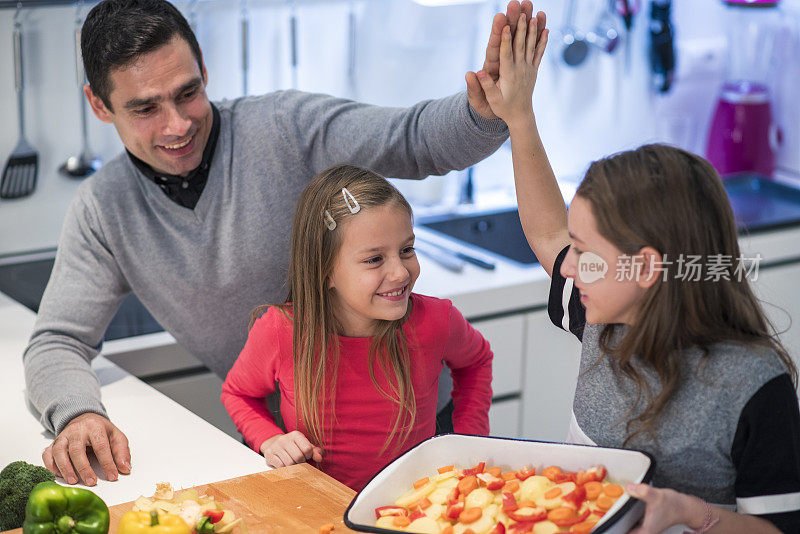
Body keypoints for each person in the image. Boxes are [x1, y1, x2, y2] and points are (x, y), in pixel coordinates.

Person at [23, 0, 539, 487]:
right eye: (145, 109)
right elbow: (57, 341)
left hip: (424, 424)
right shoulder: (102, 209)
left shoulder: (286, 127)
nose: (177, 125)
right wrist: (78, 412)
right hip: (294, 453)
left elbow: (411, 138)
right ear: (99, 104)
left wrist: (483, 111)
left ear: (204, 67)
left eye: (187, 92)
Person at [473, 12, 800, 533]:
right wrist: (519, 118)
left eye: (585, 251)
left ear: (646, 267)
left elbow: (780, 529)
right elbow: (547, 234)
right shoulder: (602, 309)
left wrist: (692, 514)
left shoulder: (755, 384)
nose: (569, 267)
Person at [220, 164, 492, 490]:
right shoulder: (281, 331)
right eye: (374, 259)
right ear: (326, 271)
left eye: (406, 250)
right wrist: (269, 440)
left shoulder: (438, 320)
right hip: (321, 507)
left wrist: (469, 437)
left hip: (414, 505)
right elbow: (238, 394)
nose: (401, 273)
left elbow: (476, 361)